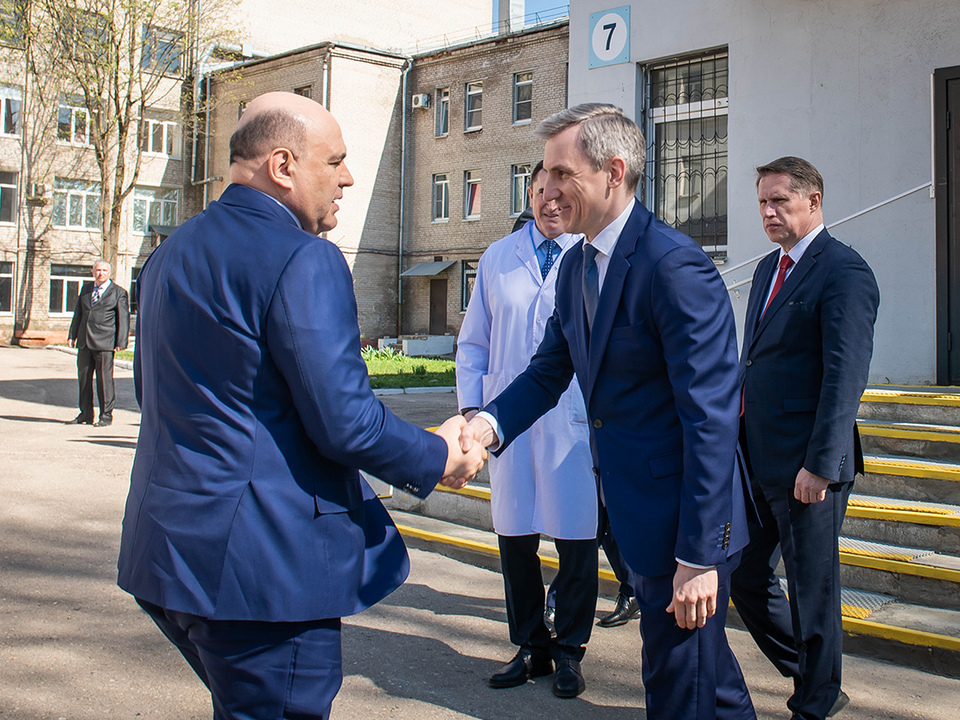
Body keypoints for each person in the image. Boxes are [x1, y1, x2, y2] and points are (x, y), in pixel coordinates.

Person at [116, 91, 484, 720]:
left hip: (169, 553)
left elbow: (156, 396)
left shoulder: (168, 254)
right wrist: (439, 454)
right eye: (334, 161)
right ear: (283, 166)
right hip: (264, 572)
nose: (347, 178)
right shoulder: (304, 258)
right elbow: (346, 421)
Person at [459, 103, 756, 720]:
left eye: (562, 173)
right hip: (633, 512)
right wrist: (484, 426)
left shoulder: (672, 266)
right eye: (544, 173)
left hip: (682, 526)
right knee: (707, 681)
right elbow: (547, 371)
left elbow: (711, 420)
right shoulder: (577, 266)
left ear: (613, 172)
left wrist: (699, 556)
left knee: (678, 686)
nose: (547, 189)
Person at [731, 156, 880, 720]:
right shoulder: (769, 269)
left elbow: (845, 376)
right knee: (744, 576)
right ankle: (816, 674)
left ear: (813, 201)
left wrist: (820, 464)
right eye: (763, 202)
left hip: (809, 468)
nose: (768, 212)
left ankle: (815, 702)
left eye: (780, 201)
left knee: (812, 591)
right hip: (759, 460)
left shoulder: (844, 270)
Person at [457, 161, 598, 698]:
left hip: (571, 420)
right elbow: (474, 341)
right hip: (505, 421)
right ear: (530, 194)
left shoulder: (589, 256)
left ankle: (570, 651)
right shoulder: (498, 256)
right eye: (541, 192)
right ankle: (531, 645)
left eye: (560, 194)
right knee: (515, 539)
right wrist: (473, 410)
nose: (550, 203)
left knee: (577, 540)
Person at [66, 259, 129, 427]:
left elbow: (123, 318)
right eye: (98, 270)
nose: (101, 273)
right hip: (85, 342)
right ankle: (85, 414)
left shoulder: (118, 292)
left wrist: (121, 341)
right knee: (84, 380)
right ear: (93, 272)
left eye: (104, 270)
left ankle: (106, 416)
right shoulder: (86, 289)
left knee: (104, 381)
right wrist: (72, 335)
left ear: (109, 273)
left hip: (105, 343)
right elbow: (78, 313)